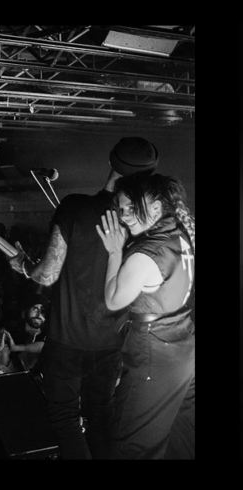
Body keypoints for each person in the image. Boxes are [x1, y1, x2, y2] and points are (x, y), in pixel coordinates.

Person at [8, 136, 161, 459]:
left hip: (67, 340)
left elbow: (47, 274)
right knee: (102, 417)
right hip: (112, 342)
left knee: (65, 419)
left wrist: (23, 265)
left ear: (110, 162)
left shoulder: (75, 207)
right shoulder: (144, 226)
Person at [96, 172, 195, 459]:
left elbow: (114, 300)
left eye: (131, 207)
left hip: (155, 353)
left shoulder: (146, 252)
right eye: (122, 209)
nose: (125, 216)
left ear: (155, 206)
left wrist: (115, 252)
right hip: (183, 344)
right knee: (181, 439)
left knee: (133, 444)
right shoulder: (181, 233)